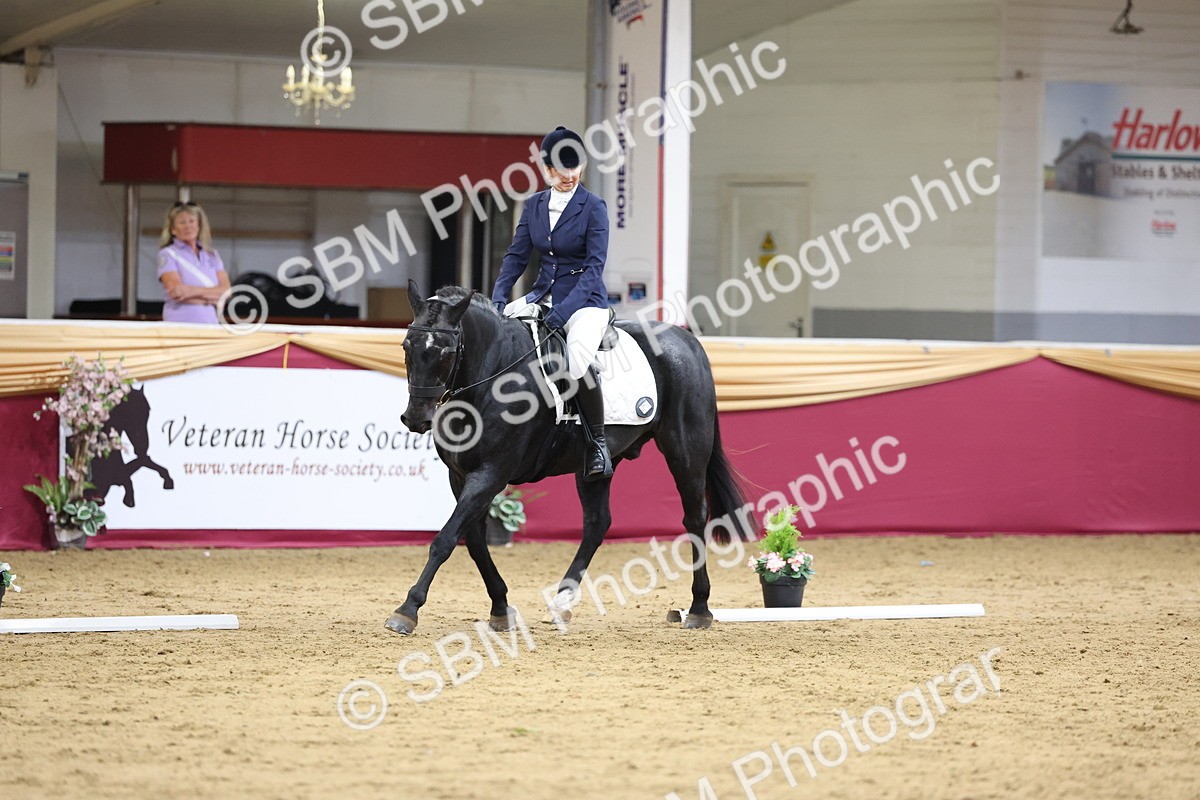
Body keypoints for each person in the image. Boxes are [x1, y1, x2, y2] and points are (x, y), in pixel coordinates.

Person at [491, 126, 613, 481]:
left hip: (586, 301)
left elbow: (594, 267)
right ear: (546, 169)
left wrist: (564, 312)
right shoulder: (535, 206)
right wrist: (499, 298)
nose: (569, 177)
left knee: (575, 360)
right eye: (561, 171)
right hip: (543, 293)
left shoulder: (594, 207)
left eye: (575, 169)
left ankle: (598, 443)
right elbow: (516, 256)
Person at [156, 201, 230, 324]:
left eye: (191, 221)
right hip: (180, 324)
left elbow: (227, 291)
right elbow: (177, 292)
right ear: (173, 229)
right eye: (182, 222)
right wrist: (212, 297)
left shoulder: (212, 255)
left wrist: (190, 292)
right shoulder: (168, 254)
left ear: (199, 225)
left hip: (210, 323)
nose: (188, 226)